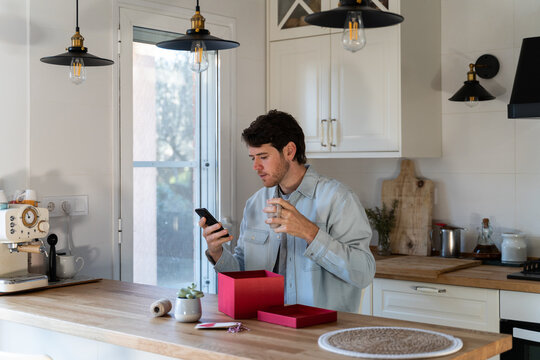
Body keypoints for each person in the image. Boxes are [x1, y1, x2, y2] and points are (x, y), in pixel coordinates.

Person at [199, 110, 375, 313]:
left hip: (322, 333)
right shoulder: (255, 203)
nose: (256, 166)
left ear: (290, 151)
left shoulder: (339, 199)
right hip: (266, 328)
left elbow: (364, 273)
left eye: (263, 157)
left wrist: (310, 233)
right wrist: (217, 252)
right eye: (252, 158)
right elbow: (244, 272)